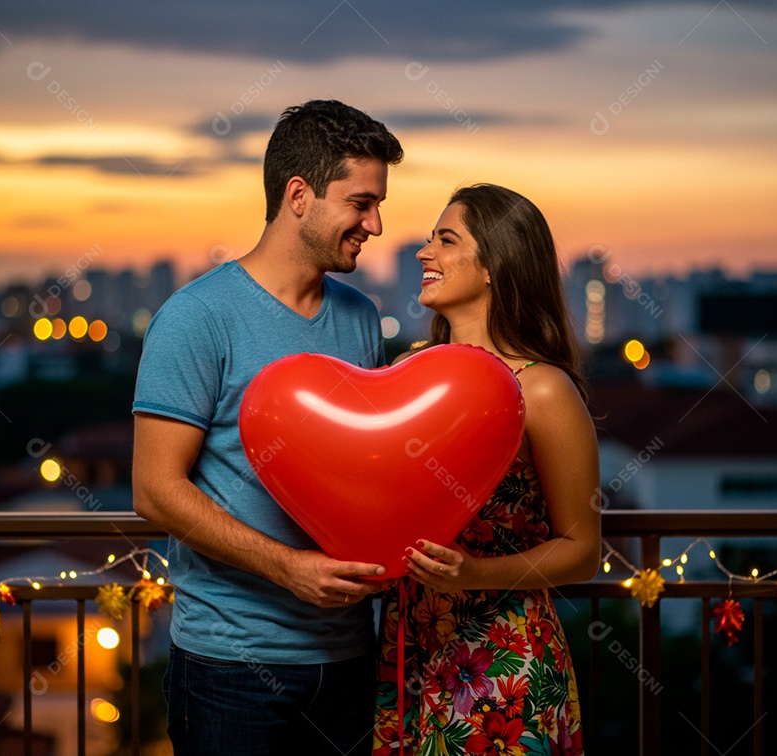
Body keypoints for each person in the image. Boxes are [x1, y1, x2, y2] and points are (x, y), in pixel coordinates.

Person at [132, 100, 403, 755]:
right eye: (361, 203)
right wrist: (288, 569)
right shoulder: (196, 317)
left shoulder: (361, 317)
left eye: (378, 205)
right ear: (299, 196)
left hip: (350, 659)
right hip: (230, 668)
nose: (375, 224)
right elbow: (155, 491)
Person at [373, 184, 600, 755]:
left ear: (496, 264)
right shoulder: (409, 372)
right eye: (430, 239)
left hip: (504, 661)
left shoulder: (542, 390)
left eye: (446, 240)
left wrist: (473, 574)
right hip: (410, 651)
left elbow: (582, 550)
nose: (424, 252)